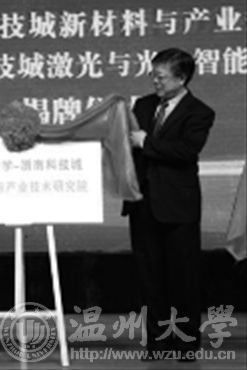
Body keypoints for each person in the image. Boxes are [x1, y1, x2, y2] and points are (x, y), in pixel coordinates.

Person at [123, 48, 215, 361]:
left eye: (161, 77)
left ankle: (186, 345)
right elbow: (128, 145)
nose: (155, 81)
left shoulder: (199, 112)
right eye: (153, 75)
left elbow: (185, 151)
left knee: (184, 278)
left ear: (181, 78)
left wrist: (146, 142)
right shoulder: (143, 105)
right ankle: (157, 344)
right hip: (143, 204)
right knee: (150, 278)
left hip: (178, 206)